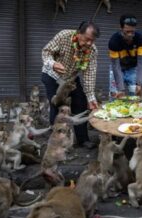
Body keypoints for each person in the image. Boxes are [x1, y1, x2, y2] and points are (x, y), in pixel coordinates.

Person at [41, 21, 100, 149]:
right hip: (52, 75)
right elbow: (46, 51)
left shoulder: (92, 51)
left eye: (92, 41)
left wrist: (91, 97)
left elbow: (89, 74)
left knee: (80, 102)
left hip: (70, 78)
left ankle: (83, 139)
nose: (89, 43)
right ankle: (57, 141)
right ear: (79, 34)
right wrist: (52, 63)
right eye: (87, 39)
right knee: (57, 107)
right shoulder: (64, 36)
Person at [108, 14, 142, 98]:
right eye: (127, 32)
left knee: (135, 96)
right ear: (121, 28)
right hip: (117, 68)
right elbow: (115, 65)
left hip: (132, 68)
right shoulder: (113, 41)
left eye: (132, 32)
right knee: (115, 96)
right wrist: (120, 88)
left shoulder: (140, 39)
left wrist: (139, 83)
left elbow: (141, 62)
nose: (130, 35)